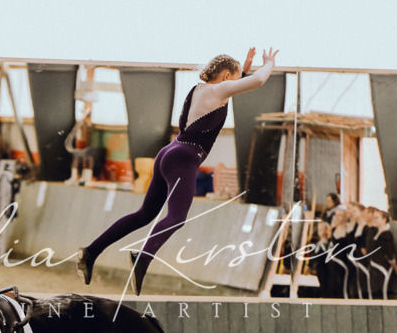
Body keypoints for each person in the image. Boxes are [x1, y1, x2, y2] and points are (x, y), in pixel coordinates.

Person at [76, 46, 279, 294]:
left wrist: (245, 67)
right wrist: (268, 62)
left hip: (169, 151)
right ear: (226, 77)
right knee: (177, 218)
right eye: (236, 78)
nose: (238, 83)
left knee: (144, 214)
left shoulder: (201, 89)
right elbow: (257, 81)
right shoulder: (220, 89)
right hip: (184, 157)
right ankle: (143, 257)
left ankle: (90, 252)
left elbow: (238, 83)